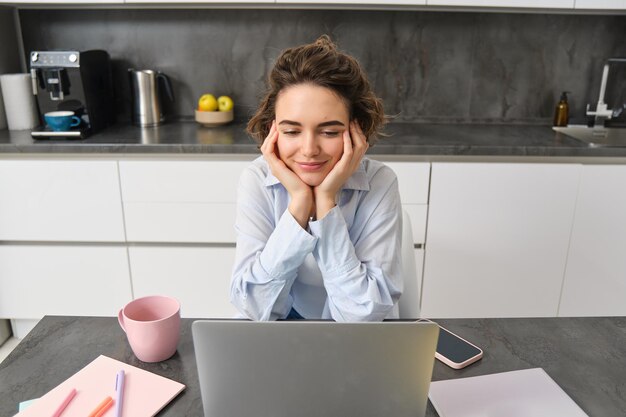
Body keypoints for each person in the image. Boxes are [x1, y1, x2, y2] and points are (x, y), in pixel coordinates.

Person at [230, 35, 403, 322]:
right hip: (281, 329)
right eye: (292, 131)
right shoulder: (257, 179)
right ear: (272, 131)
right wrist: (299, 203)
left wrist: (325, 201)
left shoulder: (381, 182)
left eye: (330, 132)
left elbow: (360, 316)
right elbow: (254, 306)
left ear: (356, 131)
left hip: (355, 339)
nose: (309, 151)